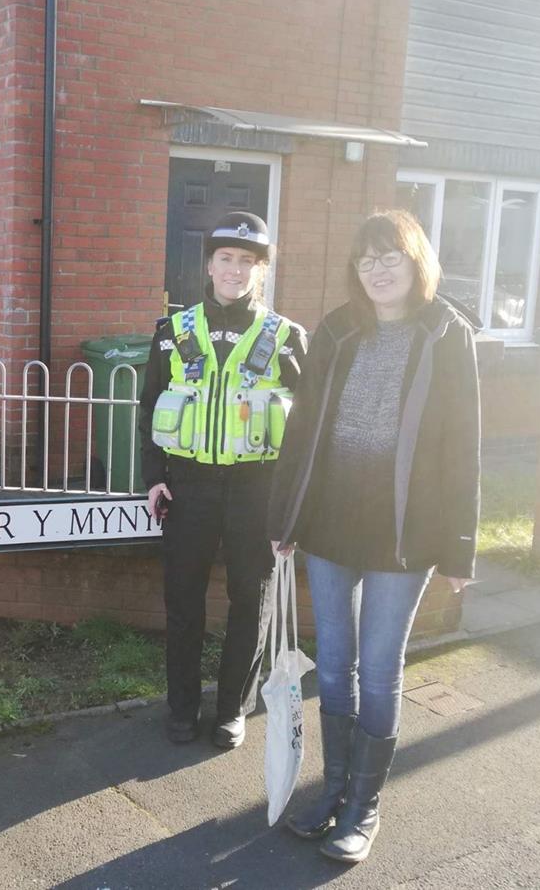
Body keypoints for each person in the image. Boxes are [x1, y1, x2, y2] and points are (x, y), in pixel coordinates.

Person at [267, 209, 480, 863]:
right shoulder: (336, 331)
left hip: (403, 537)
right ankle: (333, 791)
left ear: (417, 262)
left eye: (392, 257)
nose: (380, 269)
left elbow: (461, 446)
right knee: (334, 667)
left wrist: (460, 547)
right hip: (331, 527)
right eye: (368, 259)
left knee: (380, 673)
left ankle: (364, 806)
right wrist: (286, 520)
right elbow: (302, 431)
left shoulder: (446, 333)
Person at [139, 211, 307, 750]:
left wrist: (292, 503)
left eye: (248, 261)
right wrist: (153, 479)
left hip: (257, 490)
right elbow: (148, 410)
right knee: (183, 601)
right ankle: (182, 708)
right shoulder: (173, 332)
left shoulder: (285, 338)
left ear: (260, 271)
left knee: (248, 602)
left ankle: (233, 708)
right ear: (210, 264)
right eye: (227, 258)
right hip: (187, 487)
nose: (236, 270)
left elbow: (306, 428)